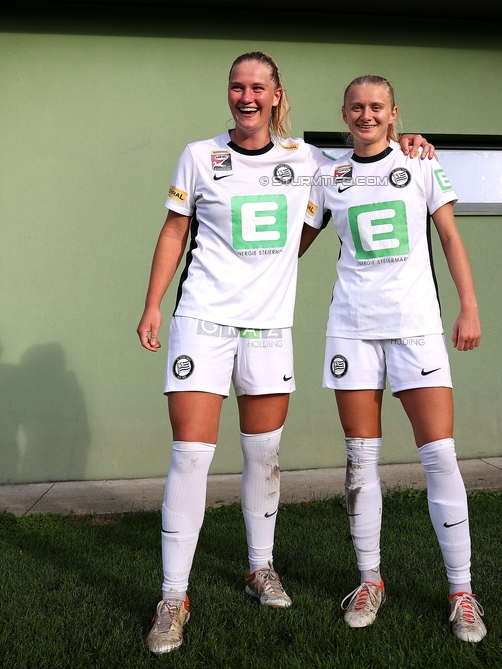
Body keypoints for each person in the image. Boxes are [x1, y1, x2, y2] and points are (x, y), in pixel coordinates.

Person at [137, 52, 434, 654]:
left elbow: (366, 159)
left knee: (264, 454)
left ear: (276, 96)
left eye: (258, 88)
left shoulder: (308, 163)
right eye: (237, 87)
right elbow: (174, 231)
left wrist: (408, 142)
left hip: (270, 329)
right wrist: (152, 305)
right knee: (191, 457)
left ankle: (259, 568)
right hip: (203, 322)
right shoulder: (200, 157)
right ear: (230, 93)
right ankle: (173, 596)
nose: (246, 97)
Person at [300, 75, 486, 642]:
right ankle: (370, 580)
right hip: (351, 332)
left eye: (376, 106)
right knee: (361, 460)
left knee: (440, 457)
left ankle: (462, 591)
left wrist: (469, 307)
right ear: (344, 114)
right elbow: (294, 244)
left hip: (416, 331)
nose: (366, 115)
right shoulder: (327, 175)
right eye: (356, 107)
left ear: (394, 114)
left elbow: (451, 238)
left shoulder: (421, 164)